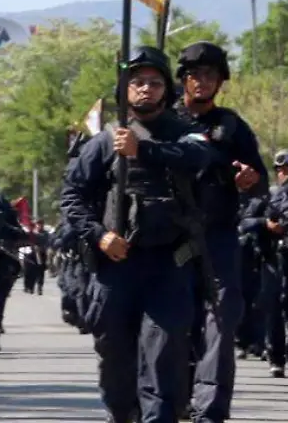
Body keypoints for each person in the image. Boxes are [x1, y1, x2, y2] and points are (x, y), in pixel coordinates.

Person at [59, 45, 218, 423]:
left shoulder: (187, 133)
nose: (146, 89)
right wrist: (98, 235)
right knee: (115, 361)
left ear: (167, 89)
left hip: (168, 263)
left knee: (164, 358)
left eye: (155, 82)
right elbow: (71, 196)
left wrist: (143, 149)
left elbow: (199, 159)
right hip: (117, 264)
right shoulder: (104, 141)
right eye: (137, 82)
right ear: (124, 89)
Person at [176, 40, 267, 423]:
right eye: (194, 74)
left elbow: (260, 181)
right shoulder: (164, 122)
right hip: (170, 238)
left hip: (219, 237)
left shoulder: (232, 126)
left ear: (220, 82)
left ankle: (209, 411)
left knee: (221, 322)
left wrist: (249, 179)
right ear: (183, 80)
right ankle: (173, 397)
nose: (201, 81)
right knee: (173, 322)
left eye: (210, 74)